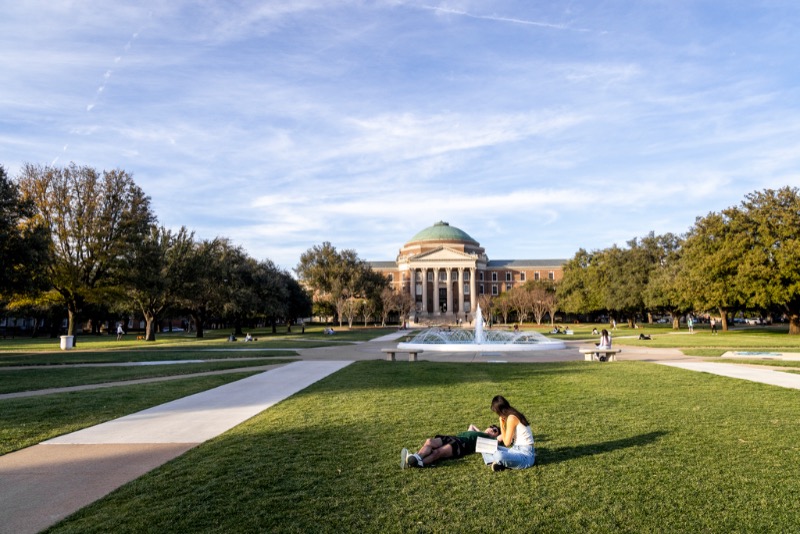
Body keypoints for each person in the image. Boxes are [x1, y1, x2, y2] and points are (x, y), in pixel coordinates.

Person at [401, 424, 501, 468]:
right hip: (453, 438)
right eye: (492, 427)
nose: (492, 429)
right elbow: (471, 425)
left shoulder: (489, 440)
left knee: (437, 452)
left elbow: (502, 438)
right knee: (429, 441)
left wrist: (487, 435)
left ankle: (417, 461)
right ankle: (416, 457)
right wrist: (481, 432)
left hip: (461, 445)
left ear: (496, 434)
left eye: (495, 430)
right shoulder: (477, 433)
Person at [488, 395, 535, 471]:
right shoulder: (513, 414)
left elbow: (507, 443)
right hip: (515, 449)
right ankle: (500, 463)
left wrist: (501, 424)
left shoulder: (512, 418)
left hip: (525, 455)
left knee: (498, 455)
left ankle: (499, 462)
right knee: (487, 447)